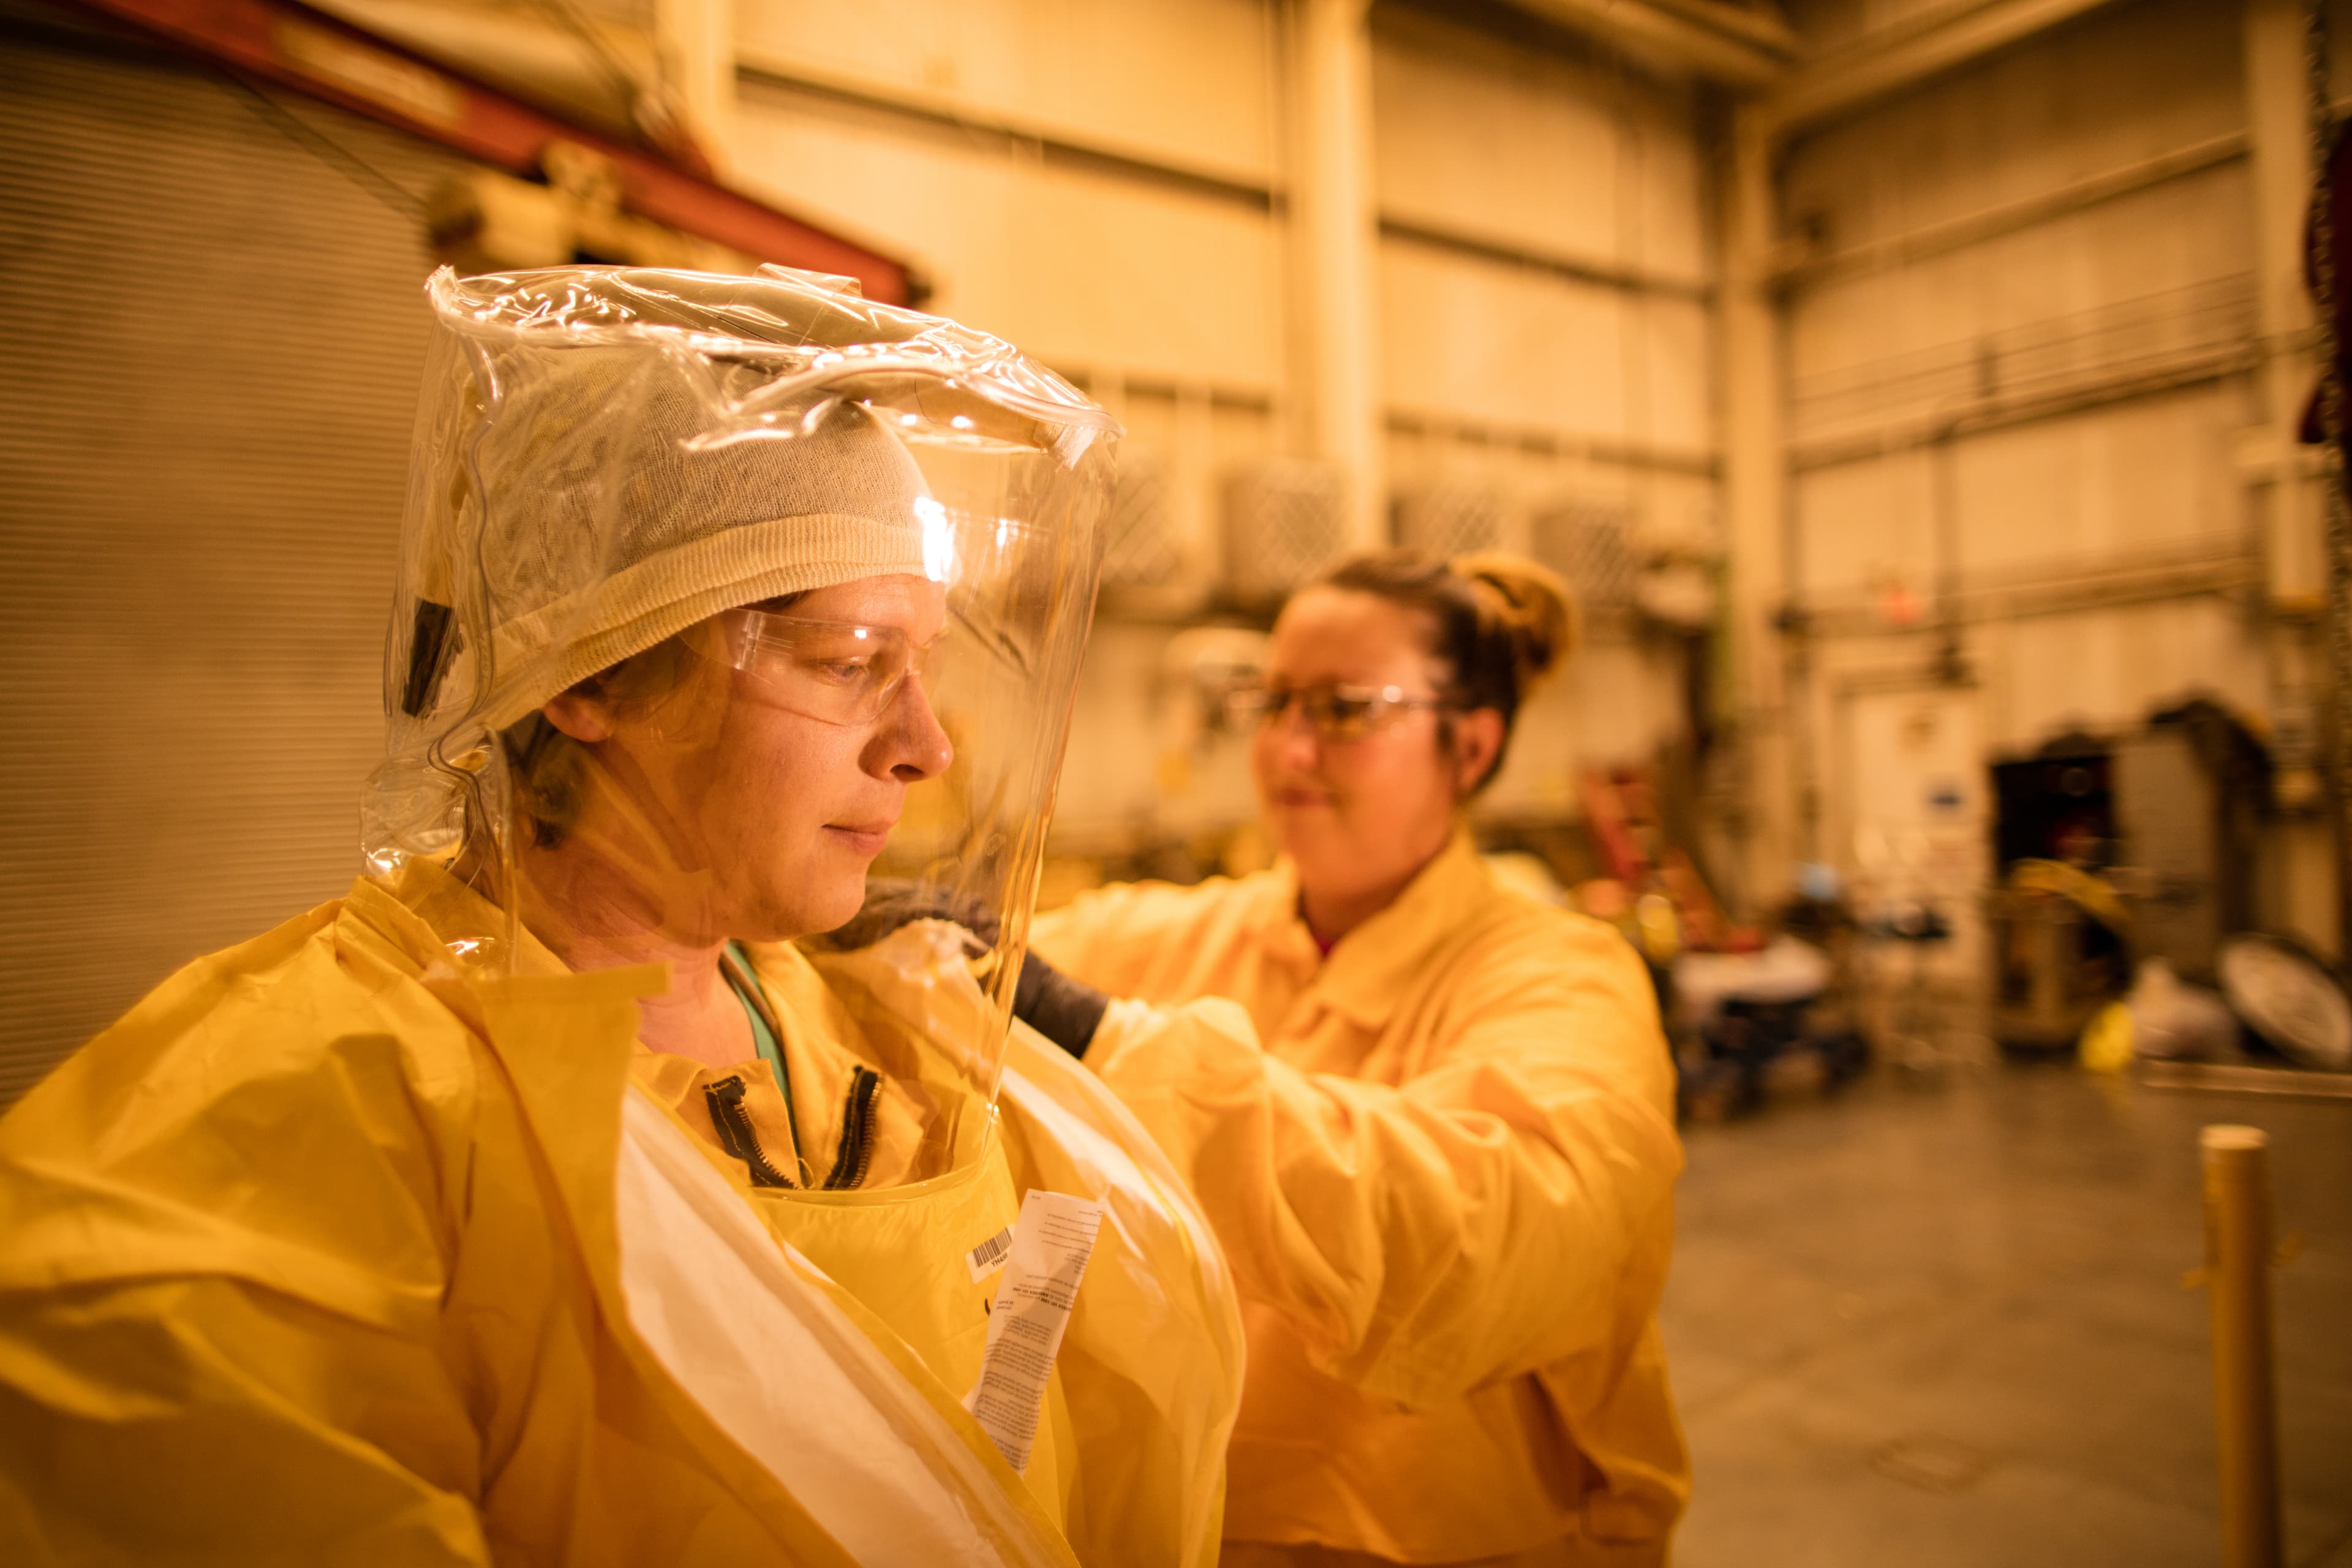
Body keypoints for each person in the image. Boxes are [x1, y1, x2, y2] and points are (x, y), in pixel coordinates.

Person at [0, 265, 1240, 1567]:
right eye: (848, 664)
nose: (925, 747)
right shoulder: (293, 1130)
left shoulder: (887, 1034)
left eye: (921, 666)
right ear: (590, 676)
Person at [1019, 549, 1689, 1567]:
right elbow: (978, 969)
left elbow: (1475, 1245)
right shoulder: (1187, 937)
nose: (1288, 750)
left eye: (1345, 710)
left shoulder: (1564, 979)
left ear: (1471, 747)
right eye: (1275, 702)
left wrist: (1108, 1042)